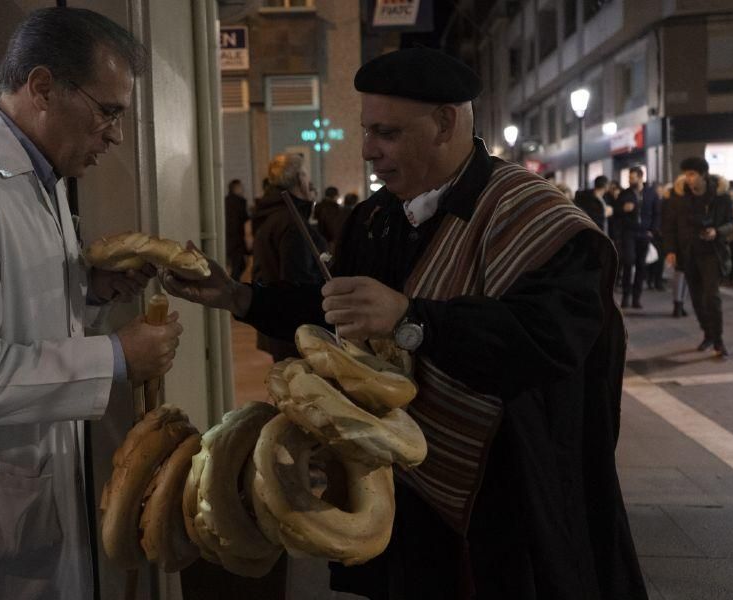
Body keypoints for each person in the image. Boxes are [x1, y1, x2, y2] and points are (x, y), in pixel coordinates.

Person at [162, 47, 646, 600]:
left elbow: (549, 341)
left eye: (386, 134)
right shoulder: (374, 219)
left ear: (445, 122)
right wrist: (241, 296)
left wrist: (412, 319)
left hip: (508, 504)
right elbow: (336, 306)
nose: (369, 151)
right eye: (367, 131)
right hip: (404, 496)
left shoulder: (540, 220)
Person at [0, 9, 183, 598]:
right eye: (108, 112)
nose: (115, 136)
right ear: (43, 87)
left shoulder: (36, 181)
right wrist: (116, 357)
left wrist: (86, 291)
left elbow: (13, 319)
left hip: (17, 495)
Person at [250, 153, 328, 361]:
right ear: (300, 178)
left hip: (277, 322)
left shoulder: (272, 214)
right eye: (306, 175)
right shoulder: (292, 223)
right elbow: (298, 280)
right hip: (297, 329)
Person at [664, 157, 733, 357]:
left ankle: (718, 339)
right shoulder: (678, 198)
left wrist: (717, 232)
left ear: (703, 175)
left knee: (712, 296)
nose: (688, 178)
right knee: (696, 299)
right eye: (686, 174)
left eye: (692, 174)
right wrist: (670, 250)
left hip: (712, 252)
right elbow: (669, 227)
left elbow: (731, 222)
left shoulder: (721, 197)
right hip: (689, 253)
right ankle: (708, 334)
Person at [613, 166, 661, 309]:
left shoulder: (651, 193)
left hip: (644, 233)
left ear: (641, 177)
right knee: (628, 262)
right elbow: (616, 213)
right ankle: (626, 296)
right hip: (629, 233)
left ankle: (636, 298)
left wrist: (653, 230)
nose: (630, 180)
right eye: (629, 177)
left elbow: (657, 213)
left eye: (632, 177)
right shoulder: (624, 193)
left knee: (641, 265)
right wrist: (623, 209)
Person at [661, 184, 689, 317]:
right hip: (678, 242)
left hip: (687, 241)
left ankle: (680, 304)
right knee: (680, 272)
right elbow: (668, 226)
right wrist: (670, 248)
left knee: (685, 273)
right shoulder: (673, 201)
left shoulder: (689, 200)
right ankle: (678, 304)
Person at [225, 178, 250, 280]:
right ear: (236, 188)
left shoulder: (224, 201)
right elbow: (245, 222)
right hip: (238, 240)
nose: (243, 189)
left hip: (227, 238)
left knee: (233, 266)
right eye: (241, 187)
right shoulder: (240, 202)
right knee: (238, 267)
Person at [314, 185, 344, 253]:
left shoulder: (318, 207)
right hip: (330, 243)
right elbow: (333, 227)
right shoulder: (335, 209)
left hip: (318, 241)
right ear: (335, 196)